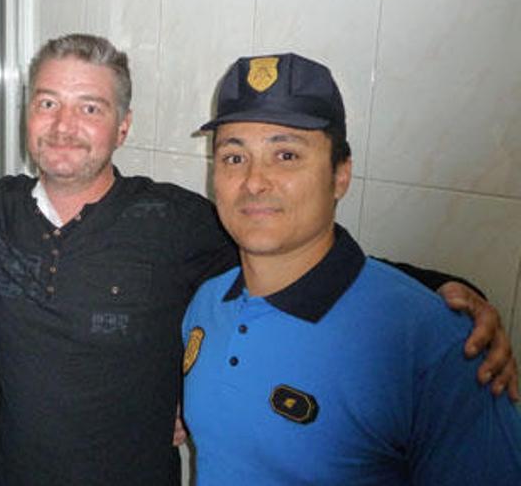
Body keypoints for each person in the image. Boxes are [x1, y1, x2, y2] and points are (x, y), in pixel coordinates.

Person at [0, 35, 516, 485]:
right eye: (48, 101)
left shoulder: (179, 220)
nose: (65, 125)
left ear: (123, 127)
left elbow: (293, 245)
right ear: (27, 118)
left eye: (91, 107)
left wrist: (447, 291)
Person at [182, 53, 521, 484]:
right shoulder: (206, 305)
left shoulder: (437, 345)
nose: (254, 181)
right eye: (233, 157)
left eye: (285, 155)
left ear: (340, 175)